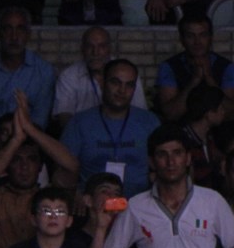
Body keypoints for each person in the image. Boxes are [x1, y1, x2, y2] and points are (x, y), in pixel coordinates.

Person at [100, 124, 234, 248]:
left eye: (177, 153)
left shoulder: (212, 201)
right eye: (162, 154)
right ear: (151, 161)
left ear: (188, 158)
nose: (170, 161)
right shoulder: (136, 206)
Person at [0, 95, 79, 248]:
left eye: (31, 159)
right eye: (16, 160)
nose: (24, 166)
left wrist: (30, 129)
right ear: (6, 166)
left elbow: (71, 166)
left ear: (40, 167)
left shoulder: (51, 199)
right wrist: (16, 140)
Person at [61, 59, 160, 198]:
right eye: (115, 82)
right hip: (92, 205)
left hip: (140, 205)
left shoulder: (149, 122)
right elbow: (63, 170)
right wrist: (75, 195)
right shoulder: (79, 123)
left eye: (129, 85)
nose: (122, 90)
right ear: (102, 83)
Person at [0, 5, 55, 131]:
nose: (14, 37)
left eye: (20, 29)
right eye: (7, 29)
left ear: (28, 35)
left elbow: (40, 117)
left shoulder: (44, 71)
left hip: (28, 135)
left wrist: (19, 139)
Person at [52, 26, 148, 130]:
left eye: (101, 46)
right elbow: (64, 117)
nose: (95, 52)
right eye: (90, 46)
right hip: (83, 133)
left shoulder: (127, 73)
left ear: (109, 49)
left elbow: (140, 113)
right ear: (82, 49)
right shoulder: (69, 76)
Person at [155, 13, 234, 123]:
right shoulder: (168, 67)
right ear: (182, 39)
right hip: (181, 128)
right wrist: (195, 80)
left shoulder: (227, 67)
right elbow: (171, 114)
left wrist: (209, 79)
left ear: (211, 38)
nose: (197, 42)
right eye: (190, 36)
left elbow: (232, 113)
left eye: (203, 35)